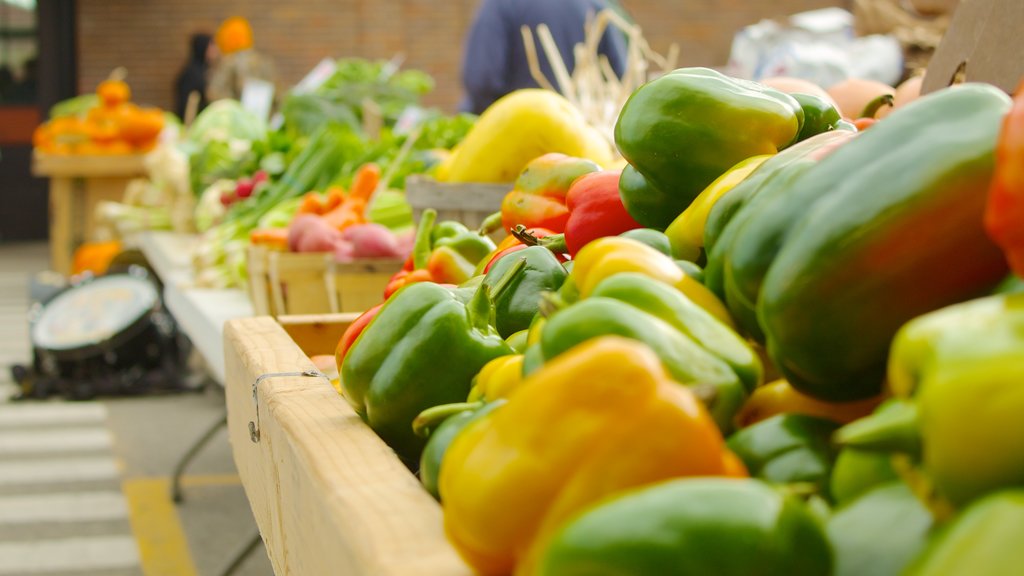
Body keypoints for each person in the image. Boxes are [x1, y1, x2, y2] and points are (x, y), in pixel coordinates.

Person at [459, 0, 628, 115]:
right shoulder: (593, 5)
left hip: (523, 134)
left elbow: (482, 80)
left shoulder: (502, 5)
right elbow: (623, 79)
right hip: (589, 137)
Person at [207, 16, 276, 103]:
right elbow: (276, 92)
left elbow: (214, 92)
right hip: (261, 114)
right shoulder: (263, 61)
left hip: (235, 113)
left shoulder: (229, 62)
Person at [174, 32, 214, 121]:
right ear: (203, 48)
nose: (214, 50)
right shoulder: (192, 73)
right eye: (211, 46)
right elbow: (188, 104)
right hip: (194, 122)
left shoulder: (204, 69)